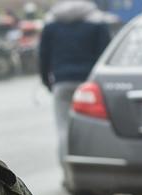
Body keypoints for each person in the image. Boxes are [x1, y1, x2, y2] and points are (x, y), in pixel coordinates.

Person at [39, 0, 112, 160]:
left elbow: (44, 56)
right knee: (93, 130)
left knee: (63, 129)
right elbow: (105, 54)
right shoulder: (97, 21)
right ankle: (92, 166)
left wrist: (47, 82)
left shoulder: (52, 21)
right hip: (90, 86)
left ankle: (67, 170)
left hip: (62, 83)